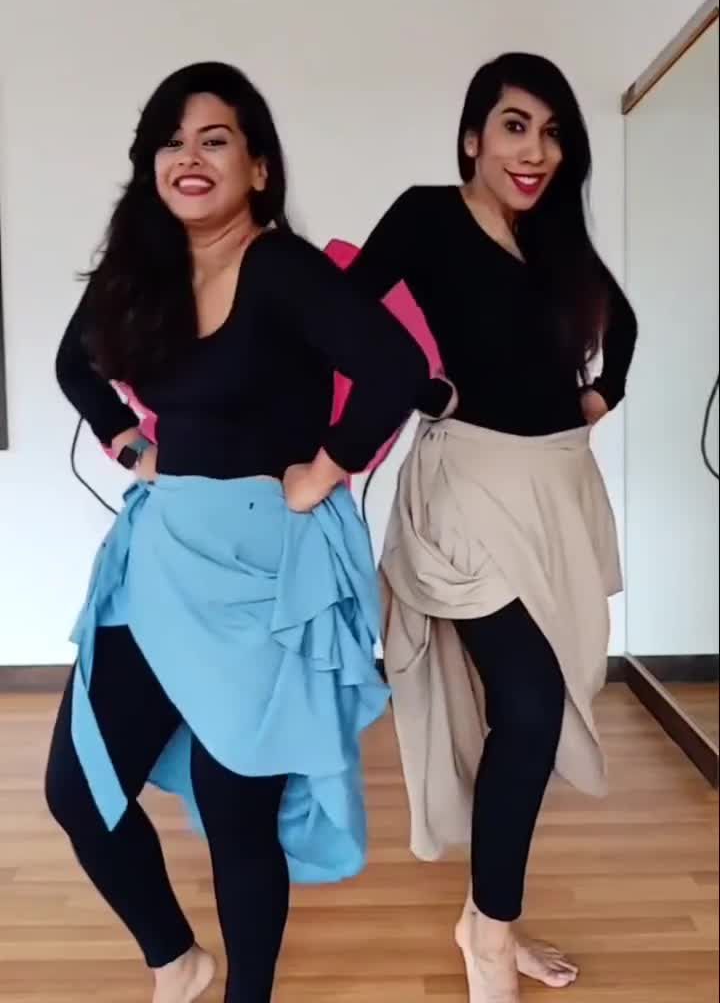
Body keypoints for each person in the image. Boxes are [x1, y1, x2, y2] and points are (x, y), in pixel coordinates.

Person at [45, 61, 436, 1003]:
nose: (189, 157)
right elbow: (73, 364)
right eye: (171, 142)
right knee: (78, 788)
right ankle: (177, 961)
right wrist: (129, 443)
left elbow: (396, 365)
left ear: (257, 167)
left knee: (238, 813)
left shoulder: (282, 269)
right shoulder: (143, 274)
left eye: (213, 140)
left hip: (264, 571)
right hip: (161, 560)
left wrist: (325, 469)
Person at [346, 52, 638, 1003]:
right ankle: (489, 939)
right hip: (467, 493)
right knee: (531, 702)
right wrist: (422, 387)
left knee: (533, 711)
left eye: (552, 133)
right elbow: (343, 314)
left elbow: (623, 324)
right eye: (515, 126)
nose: (535, 150)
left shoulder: (554, 240)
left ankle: (488, 915)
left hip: (554, 488)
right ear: (473, 136)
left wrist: (601, 394)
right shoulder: (428, 215)